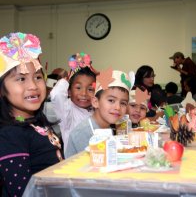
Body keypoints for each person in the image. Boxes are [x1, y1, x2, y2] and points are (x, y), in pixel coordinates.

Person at [0, 32, 62, 196]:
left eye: (38, 77)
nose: (33, 86)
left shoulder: (35, 122)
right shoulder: (10, 134)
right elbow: (22, 192)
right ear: (2, 90)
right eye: (21, 79)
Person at [65, 68, 131, 158]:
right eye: (111, 100)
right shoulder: (83, 133)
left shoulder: (108, 127)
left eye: (123, 103)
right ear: (95, 102)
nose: (118, 107)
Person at [50, 52, 99, 154]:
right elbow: (56, 94)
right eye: (78, 88)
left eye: (90, 89)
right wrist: (67, 79)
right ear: (68, 91)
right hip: (74, 165)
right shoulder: (67, 111)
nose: (84, 93)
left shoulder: (96, 110)